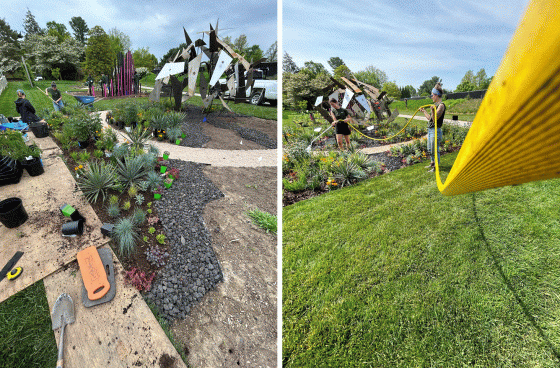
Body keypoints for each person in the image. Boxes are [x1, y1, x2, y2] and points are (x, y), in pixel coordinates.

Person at [420, 83, 446, 172]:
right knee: (430, 149)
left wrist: (432, 110)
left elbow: (435, 120)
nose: (431, 97)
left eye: (432, 95)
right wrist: (424, 111)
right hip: (431, 130)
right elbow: (430, 119)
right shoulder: (435, 106)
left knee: (435, 149)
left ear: (436, 95)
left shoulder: (441, 106)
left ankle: (436, 167)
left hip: (436, 130)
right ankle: (432, 163)